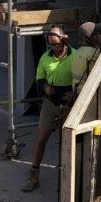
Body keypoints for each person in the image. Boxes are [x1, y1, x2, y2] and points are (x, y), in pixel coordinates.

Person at [22, 26, 75, 192]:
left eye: (57, 45)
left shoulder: (76, 56)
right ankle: (33, 174)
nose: (54, 48)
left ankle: (70, 179)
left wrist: (73, 94)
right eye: (51, 46)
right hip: (50, 103)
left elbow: (86, 78)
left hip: (69, 104)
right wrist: (45, 88)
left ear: (64, 41)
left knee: (69, 142)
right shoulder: (45, 58)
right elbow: (39, 79)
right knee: (41, 138)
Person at [71, 21, 101, 91]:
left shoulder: (77, 52)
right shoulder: (95, 53)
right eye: (97, 34)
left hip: (77, 92)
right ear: (88, 38)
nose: (99, 36)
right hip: (89, 94)